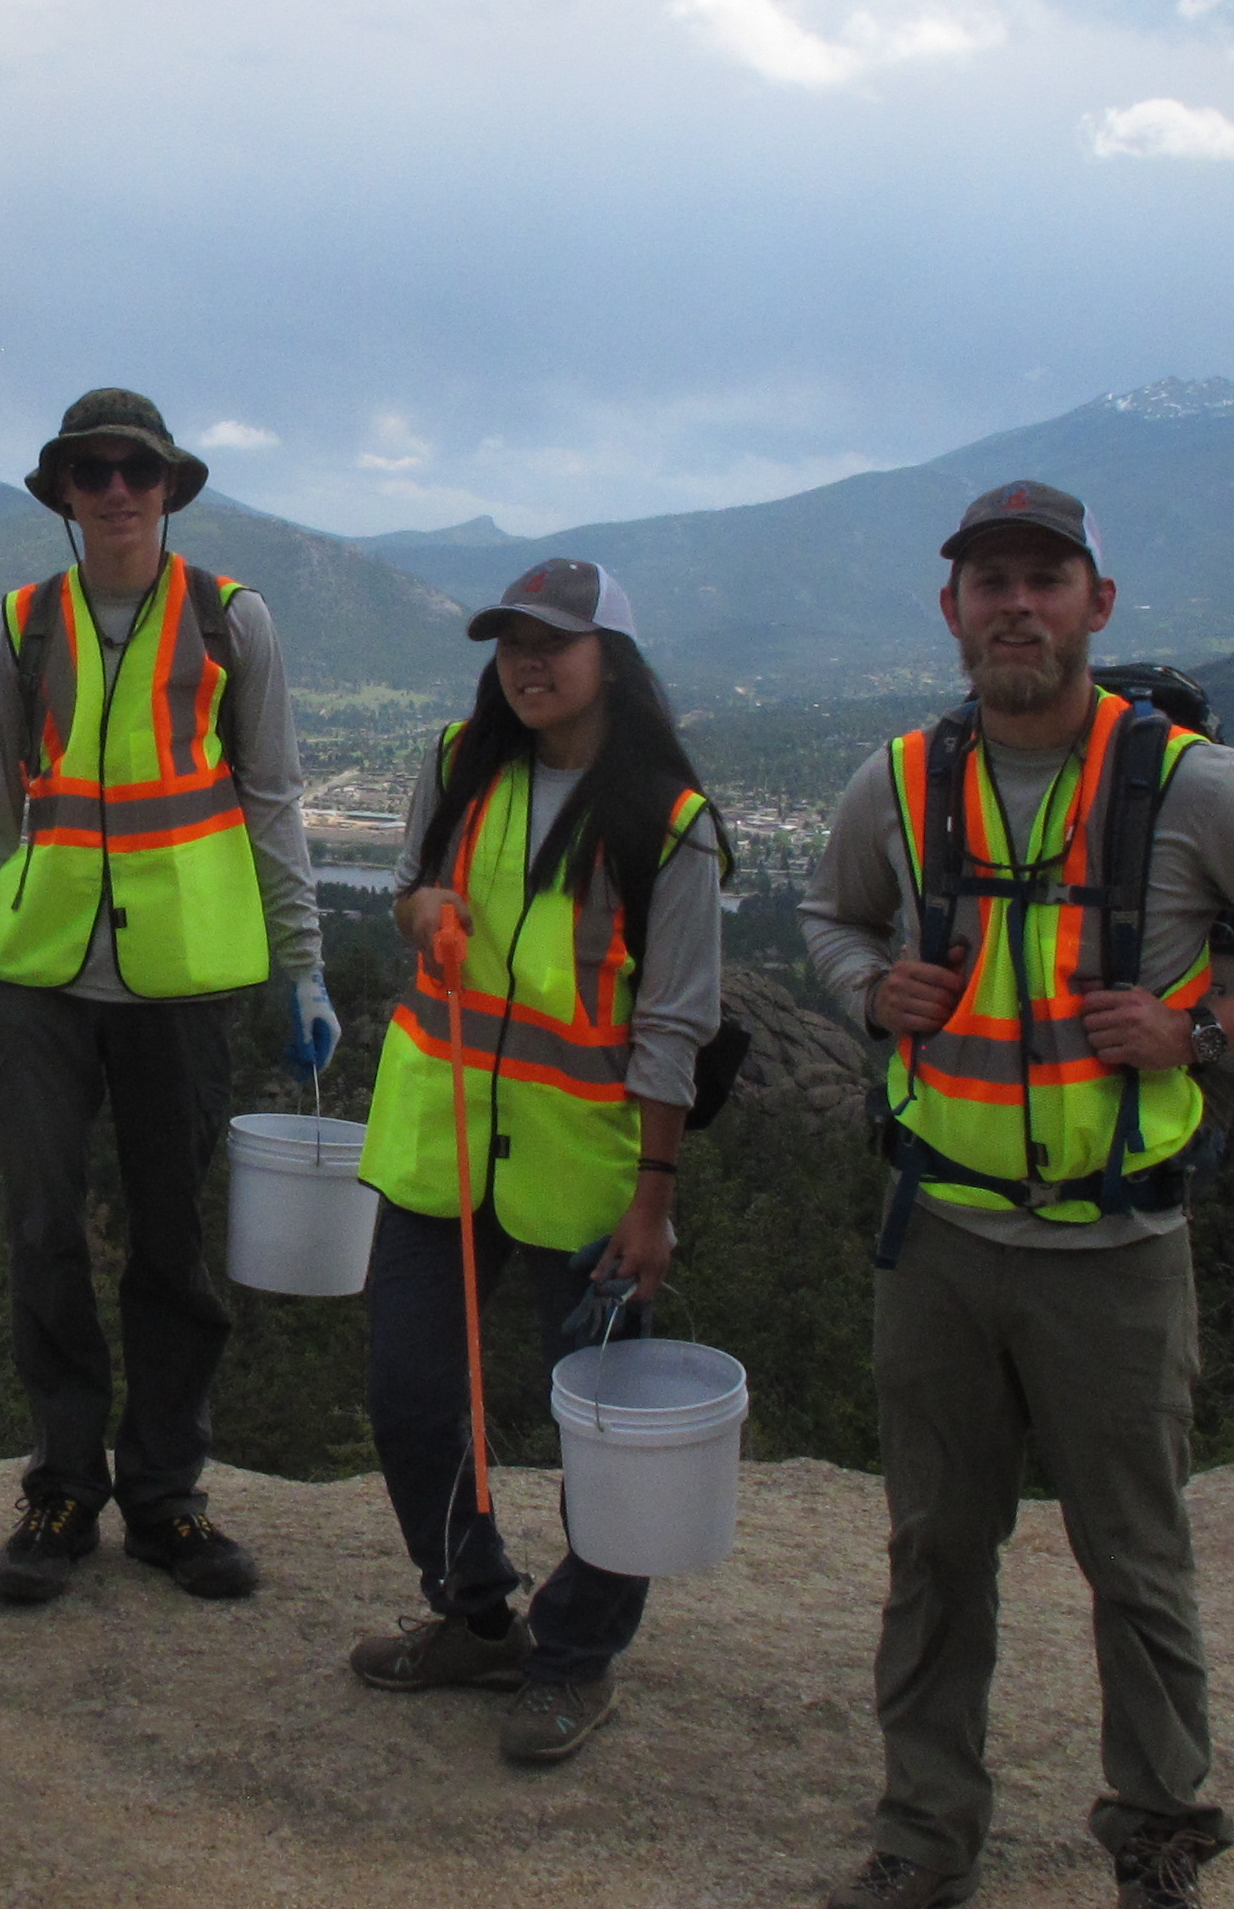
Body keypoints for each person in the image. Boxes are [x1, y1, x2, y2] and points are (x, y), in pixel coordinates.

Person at [800, 482, 1234, 1909]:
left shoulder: (1188, 785)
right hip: (938, 1231)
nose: (1014, 606)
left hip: (1116, 1251)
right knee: (937, 1550)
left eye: (1043, 581)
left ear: (1096, 607)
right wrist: (872, 992)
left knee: (1136, 1556)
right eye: (988, 583)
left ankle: (1161, 1834)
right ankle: (926, 1836)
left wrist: (1203, 1032)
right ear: (952, 613)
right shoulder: (902, 782)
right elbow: (828, 915)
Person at [0, 387, 338, 1605]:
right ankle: (61, 1485)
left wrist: (305, 959)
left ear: (168, 488)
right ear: (63, 491)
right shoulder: (20, 629)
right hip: (42, 976)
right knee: (43, 1231)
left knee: (171, 1241)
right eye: (91, 471)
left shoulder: (230, 621)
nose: (115, 490)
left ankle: (165, 1492)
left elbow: (274, 797)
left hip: (181, 984)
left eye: (137, 471)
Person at [343, 558, 727, 1765]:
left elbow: (674, 1023)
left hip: (586, 1168)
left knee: (597, 1437)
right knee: (409, 1390)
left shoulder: (670, 820)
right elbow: (409, 888)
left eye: (555, 641)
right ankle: (473, 1611)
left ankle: (576, 1655)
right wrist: (426, 915)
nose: (528, 661)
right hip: (441, 1142)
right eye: (512, 640)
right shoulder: (460, 761)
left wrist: (654, 1199)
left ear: (611, 657)